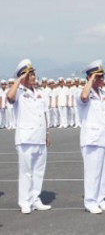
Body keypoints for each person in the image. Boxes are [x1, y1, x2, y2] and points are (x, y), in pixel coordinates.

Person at [7, 59, 51, 214]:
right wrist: (18, 79)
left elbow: (44, 114)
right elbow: (10, 97)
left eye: (33, 74)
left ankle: (35, 198)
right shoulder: (18, 93)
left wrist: (47, 133)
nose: (33, 77)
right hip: (25, 138)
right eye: (29, 74)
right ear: (22, 77)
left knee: (38, 170)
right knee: (26, 172)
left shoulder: (39, 93)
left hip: (39, 137)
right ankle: (25, 201)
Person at [77, 60, 105, 214]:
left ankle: (100, 199)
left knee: (103, 172)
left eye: (102, 77)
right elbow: (84, 97)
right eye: (99, 77)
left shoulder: (104, 94)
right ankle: (90, 201)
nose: (102, 79)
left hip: (104, 138)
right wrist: (91, 80)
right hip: (91, 139)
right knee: (92, 172)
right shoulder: (84, 93)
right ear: (91, 77)